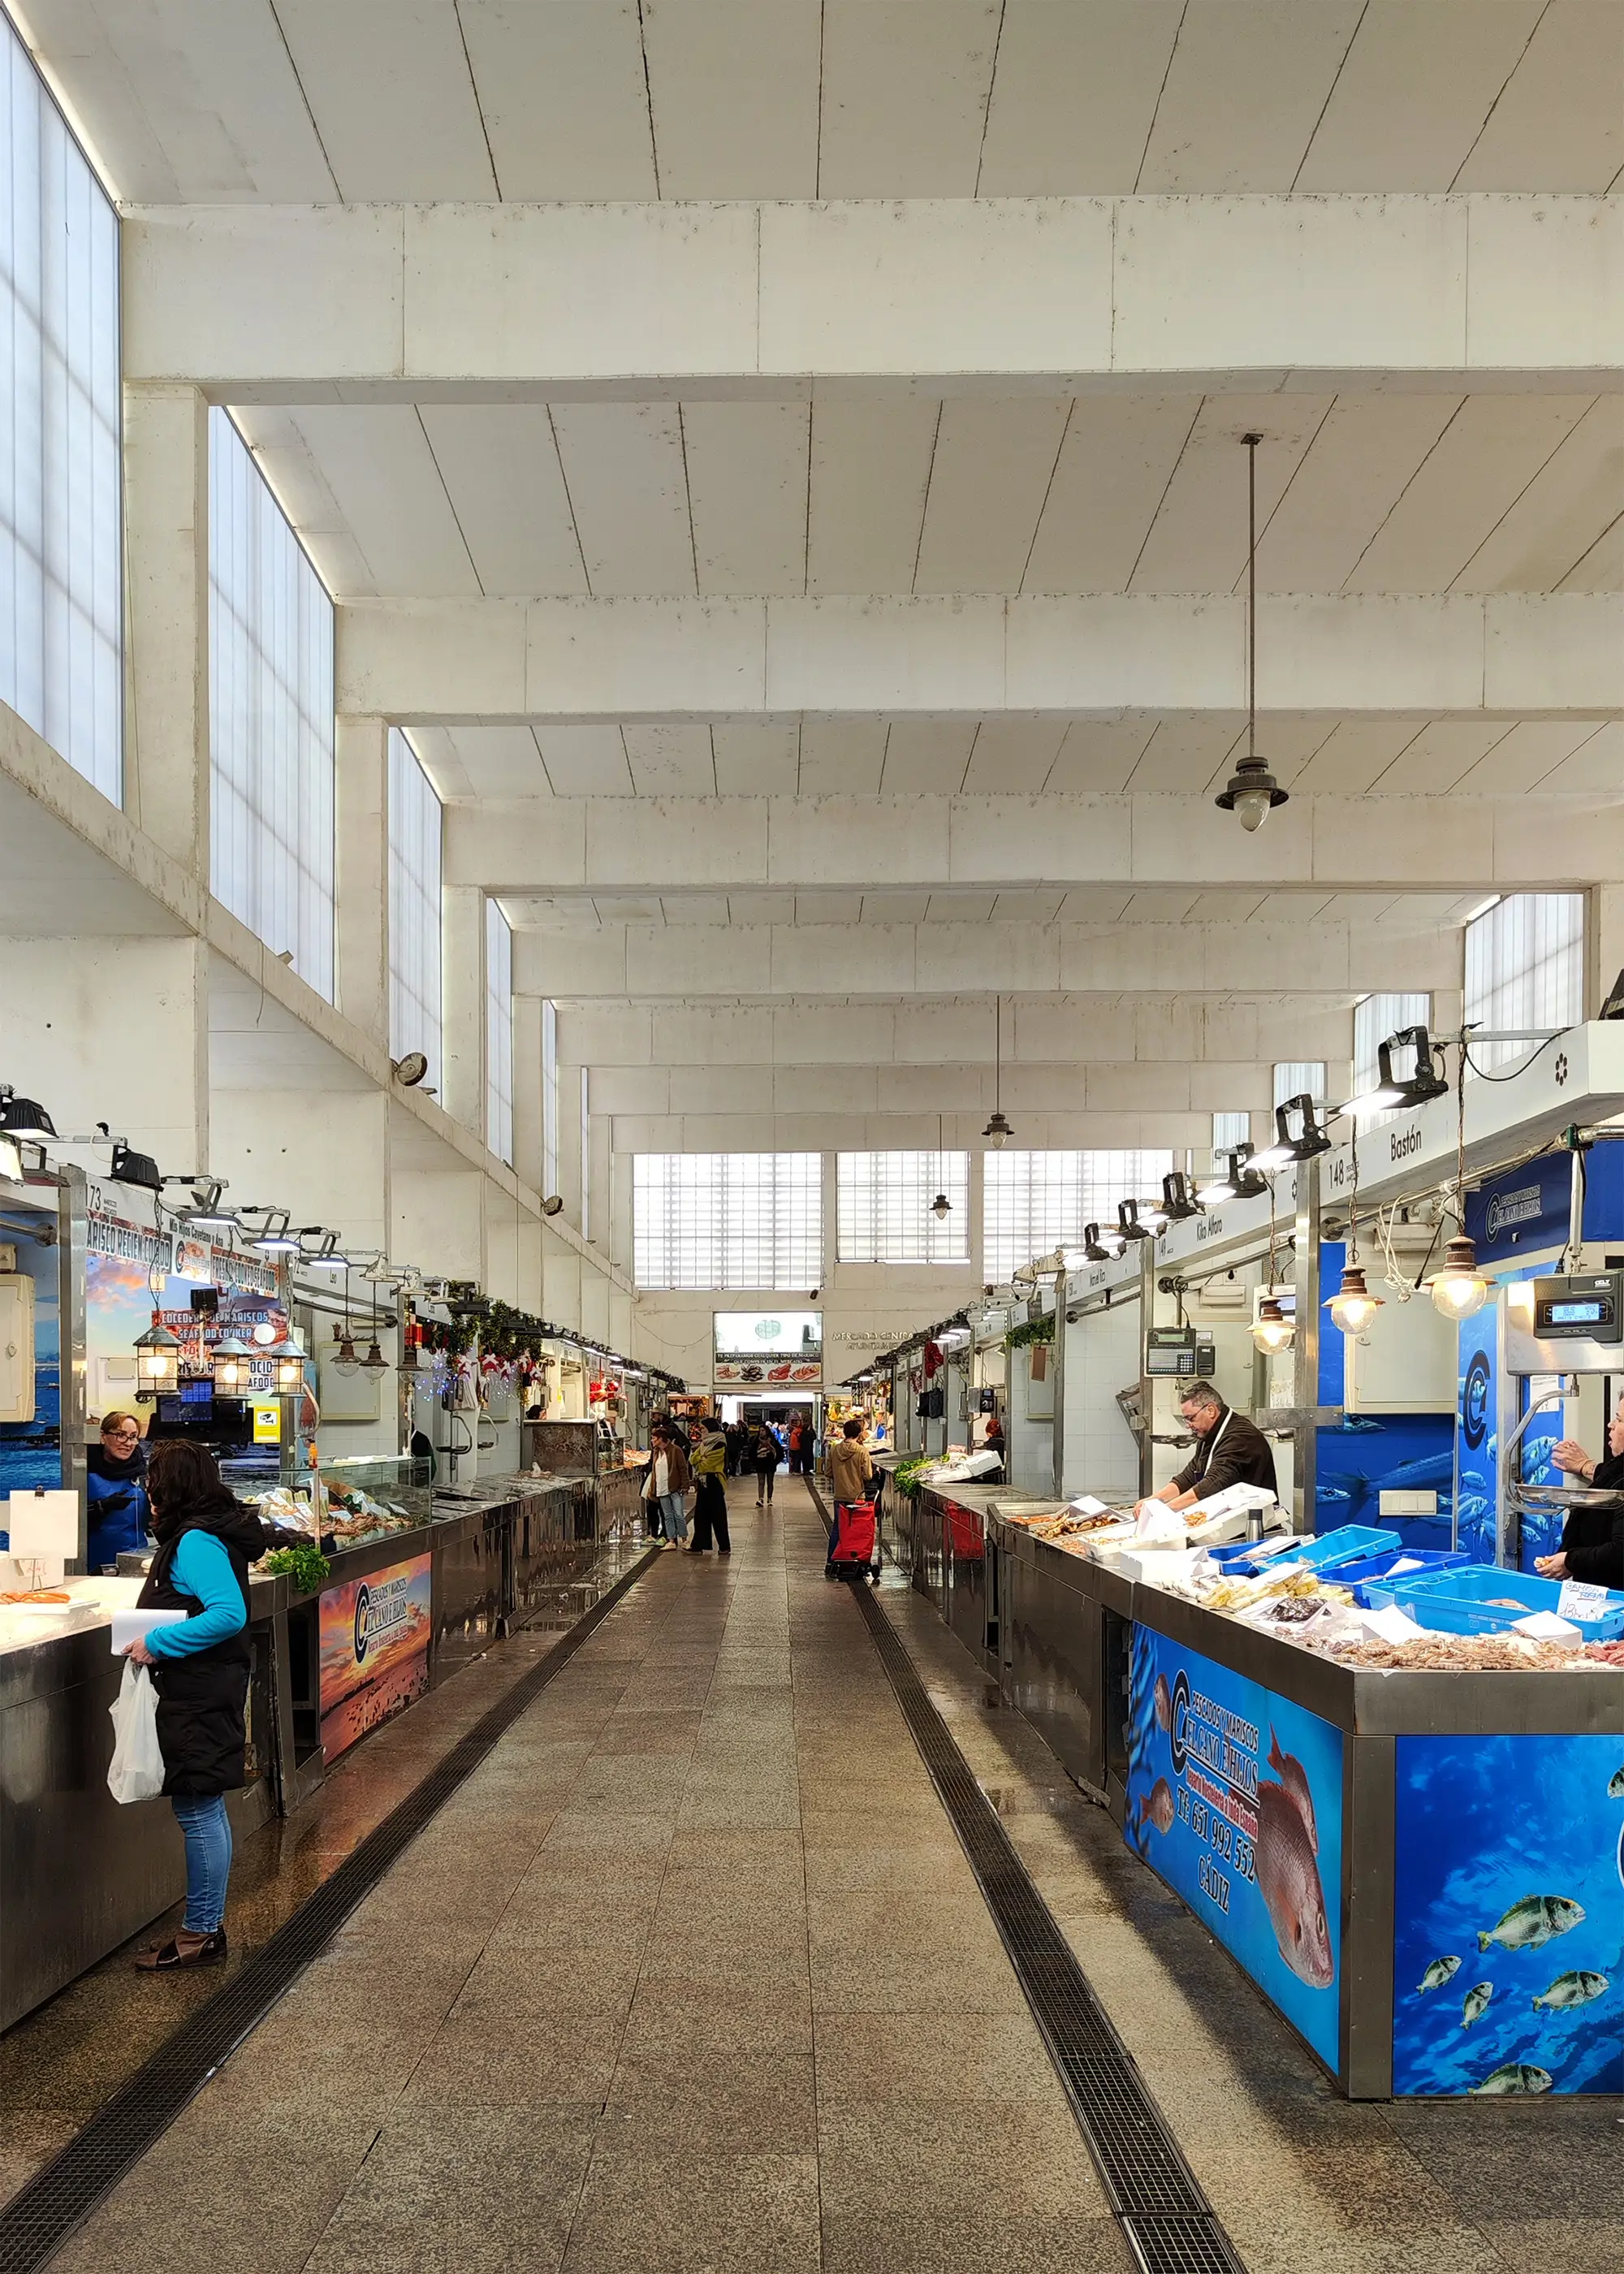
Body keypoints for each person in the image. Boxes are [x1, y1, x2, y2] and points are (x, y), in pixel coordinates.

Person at [125, 1441, 268, 1970]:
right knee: (200, 1804)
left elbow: (227, 1614)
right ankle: (203, 1928)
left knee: (198, 1807)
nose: (148, 1489)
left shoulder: (196, 1543)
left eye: (154, 1480)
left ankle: (201, 1933)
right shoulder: (201, 1534)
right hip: (203, 1689)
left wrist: (157, 1643)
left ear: (173, 1487)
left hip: (198, 1694)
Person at [1137, 1380, 1276, 1516]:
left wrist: (1164, 1511)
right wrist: (1153, 1501)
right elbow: (1189, 1476)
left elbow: (1212, 1485)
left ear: (1210, 1410)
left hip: (1252, 1525)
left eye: (1190, 1418)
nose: (1188, 1425)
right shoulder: (1208, 1435)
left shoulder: (1241, 1437)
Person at [1535, 1412, 1624, 1586]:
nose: (1611, 1425)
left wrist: (1571, 1560)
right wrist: (1584, 1466)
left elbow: (1620, 1550)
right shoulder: (1617, 1468)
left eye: (1619, 1419)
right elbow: (1613, 1476)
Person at [86, 1411, 151, 1572]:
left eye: (133, 1436)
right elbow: (70, 1521)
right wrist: (100, 1507)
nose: (128, 1443)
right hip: (95, 1564)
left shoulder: (141, 1471)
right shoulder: (84, 1470)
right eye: (121, 1435)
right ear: (103, 1436)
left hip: (138, 1560)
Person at [641, 1424, 692, 1548]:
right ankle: (671, 1541)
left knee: (678, 1514)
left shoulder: (676, 1450)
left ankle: (684, 1540)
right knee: (667, 1515)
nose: (652, 1441)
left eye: (654, 1438)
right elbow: (654, 1472)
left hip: (674, 1488)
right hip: (661, 1488)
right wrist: (652, 1489)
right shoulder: (656, 1452)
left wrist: (685, 1486)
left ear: (661, 1439)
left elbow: (682, 1469)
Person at [689, 1420, 732, 1557]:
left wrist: (700, 1458)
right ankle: (699, 1545)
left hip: (714, 1482)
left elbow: (704, 1466)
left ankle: (724, 1546)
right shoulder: (704, 1443)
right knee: (700, 1515)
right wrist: (701, 1457)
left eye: (703, 1429)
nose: (701, 1431)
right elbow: (693, 1460)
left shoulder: (719, 1444)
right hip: (703, 1482)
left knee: (718, 1515)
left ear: (710, 1429)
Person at [753, 1418, 782, 1507]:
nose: (761, 1432)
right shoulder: (756, 1441)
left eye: (763, 1430)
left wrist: (775, 1461)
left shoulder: (773, 1441)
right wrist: (755, 1462)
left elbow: (779, 1452)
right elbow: (753, 1452)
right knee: (761, 1482)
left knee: (770, 1482)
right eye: (760, 1430)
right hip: (760, 1463)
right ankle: (761, 1498)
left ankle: (769, 1498)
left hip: (770, 1463)